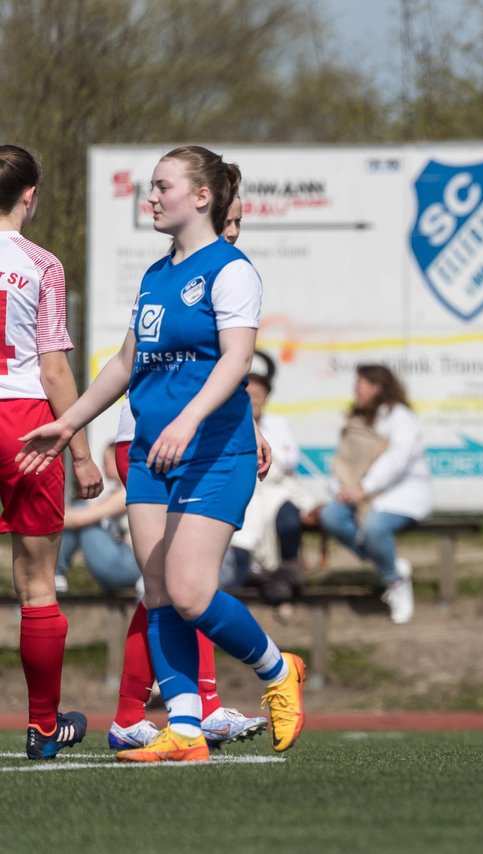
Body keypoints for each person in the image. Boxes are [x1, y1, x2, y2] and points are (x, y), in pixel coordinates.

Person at [17, 145, 305, 763]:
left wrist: (191, 418)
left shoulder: (232, 269)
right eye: (150, 187)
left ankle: (279, 671)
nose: (150, 197)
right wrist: (67, 425)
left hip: (211, 450)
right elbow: (125, 364)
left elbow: (235, 359)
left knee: (192, 591)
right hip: (150, 453)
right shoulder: (155, 274)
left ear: (201, 197)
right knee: (158, 593)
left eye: (161, 186)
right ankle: (185, 731)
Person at [105, 194, 268, 753]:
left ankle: (186, 713)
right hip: (152, 436)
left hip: (193, 435)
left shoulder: (222, 272)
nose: (237, 232)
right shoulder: (175, 271)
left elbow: (225, 368)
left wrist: (243, 427)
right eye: (232, 221)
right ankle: (174, 708)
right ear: (209, 210)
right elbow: (138, 365)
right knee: (169, 585)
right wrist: (77, 427)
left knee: (177, 585)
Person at [0, 143, 104, 760]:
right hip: (25, 424)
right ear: (30, 195)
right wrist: (82, 453)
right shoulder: (42, 263)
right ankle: (43, 726)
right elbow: (55, 370)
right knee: (38, 584)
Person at [317, 363, 431, 624]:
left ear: (378, 386)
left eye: (360, 384)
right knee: (331, 516)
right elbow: (345, 460)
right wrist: (342, 489)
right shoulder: (356, 418)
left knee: (374, 528)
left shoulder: (400, 416)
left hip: (401, 494)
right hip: (360, 494)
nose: (355, 389)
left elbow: (397, 459)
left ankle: (395, 584)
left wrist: (365, 488)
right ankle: (388, 563)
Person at [225, 351, 318, 597]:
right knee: (241, 534)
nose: (254, 399)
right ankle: (238, 589)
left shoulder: (278, 423)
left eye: (259, 395)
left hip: (274, 488)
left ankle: (288, 576)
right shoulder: (226, 423)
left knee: (287, 518)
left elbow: (287, 460)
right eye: (249, 395)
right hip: (243, 490)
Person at [55, 442, 139, 593]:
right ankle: (56, 574)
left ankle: (56, 573)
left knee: (83, 516)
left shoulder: (127, 492)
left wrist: (48, 514)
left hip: (129, 564)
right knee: (81, 511)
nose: (103, 466)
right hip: (125, 561)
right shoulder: (116, 493)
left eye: (106, 461)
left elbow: (79, 519)